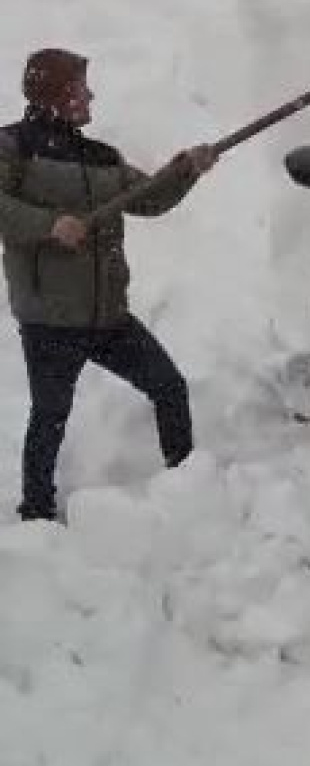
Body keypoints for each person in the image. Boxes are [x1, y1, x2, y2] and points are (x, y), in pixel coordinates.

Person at [0, 48, 219, 521]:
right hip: (51, 319)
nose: (89, 95)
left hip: (107, 316)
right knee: (50, 418)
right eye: (80, 88)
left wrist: (186, 170)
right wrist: (48, 225)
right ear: (55, 95)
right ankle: (36, 513)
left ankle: (185, 485)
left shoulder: (99, 157)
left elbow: (150, 198)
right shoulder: (14, 147)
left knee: (169, 386)